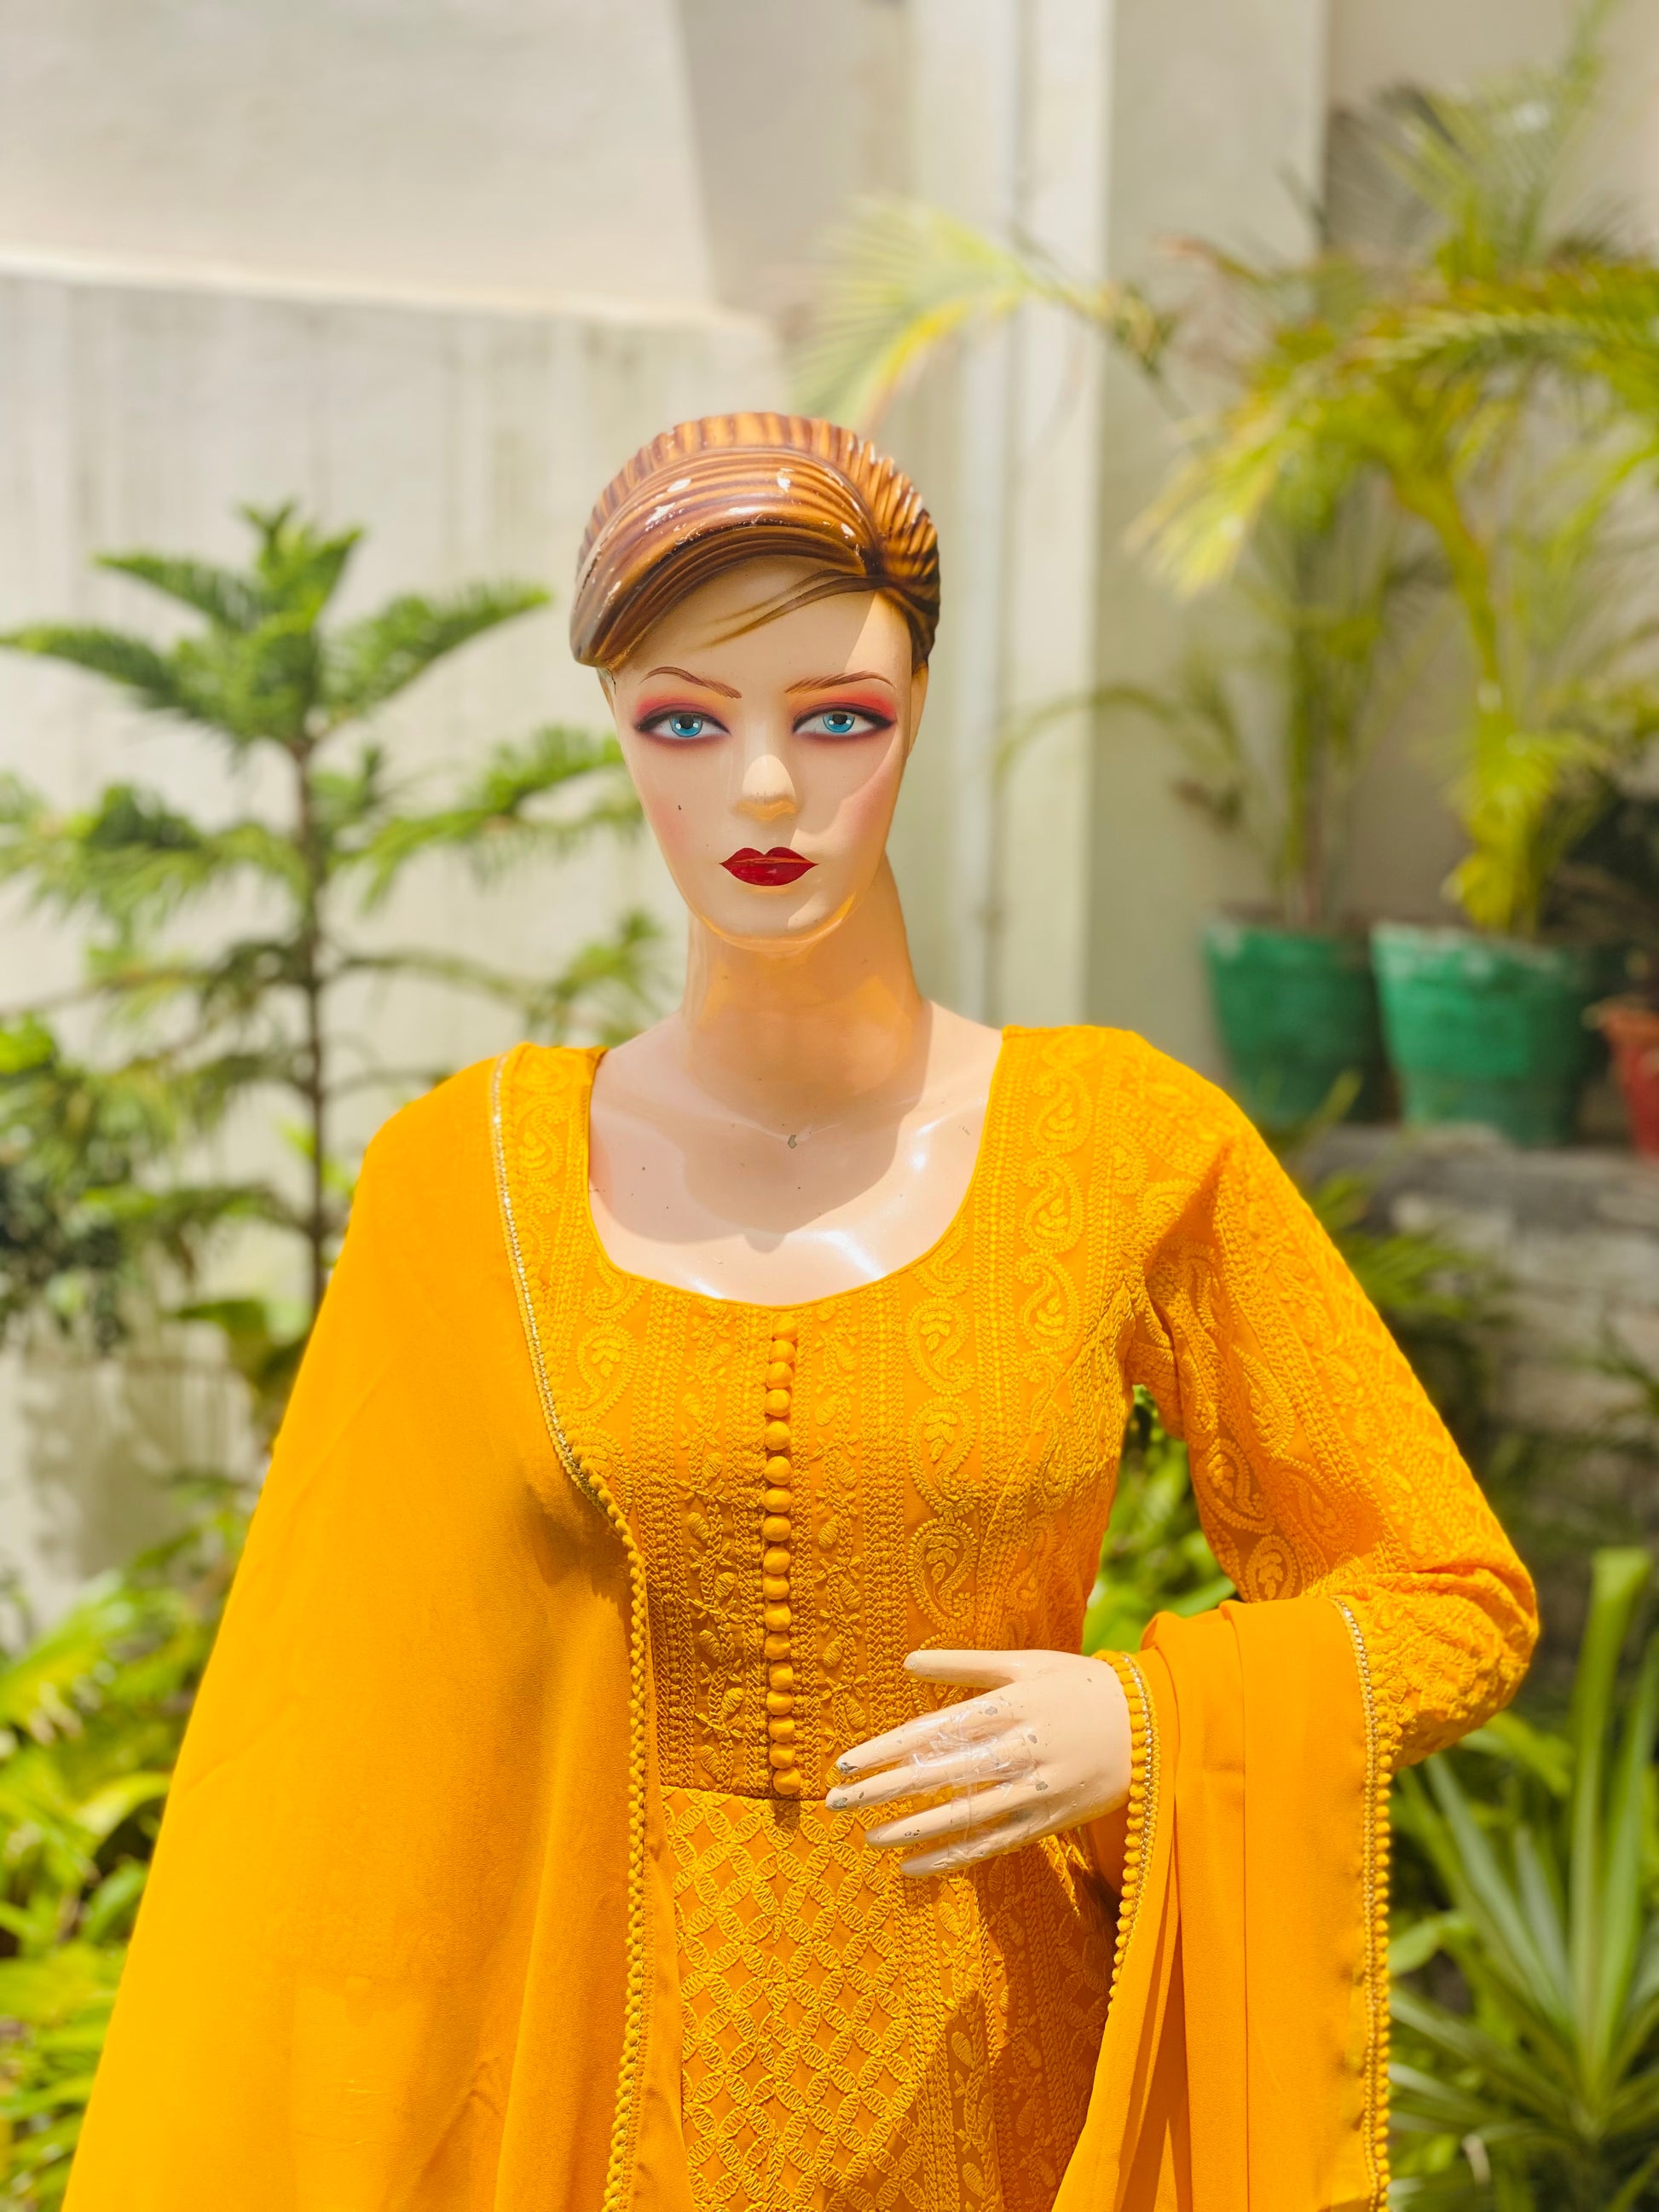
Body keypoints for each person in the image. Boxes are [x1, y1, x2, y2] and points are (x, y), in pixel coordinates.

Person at [68, 414, 1537, 2212]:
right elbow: (330, 1754)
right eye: (684, 724)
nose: (763, 791)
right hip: (597, 2116)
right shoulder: (469, 1181)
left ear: (916, 710)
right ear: (617, 731)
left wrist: (1148, 1719)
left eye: (836, 718)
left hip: (1001, 2106)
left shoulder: (1121, 1146)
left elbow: (1451, 1595)